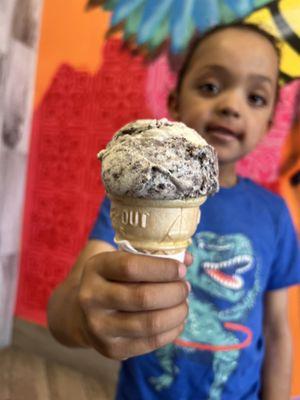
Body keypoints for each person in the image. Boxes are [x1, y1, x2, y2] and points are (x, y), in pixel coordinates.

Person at [47, 22, 300, 400]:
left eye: (256, 98)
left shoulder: (275, 215)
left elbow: (278, 330)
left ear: (268, 124)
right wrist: (85, 320)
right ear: (174, 101)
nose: (231, 105)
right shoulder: (136, 195)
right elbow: (62, 313)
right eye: (210, 86)